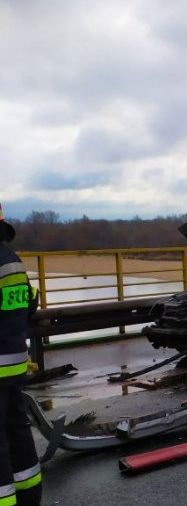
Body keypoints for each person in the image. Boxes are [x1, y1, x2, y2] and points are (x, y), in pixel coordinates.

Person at [0, 203, 42, 506]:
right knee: (17, 430)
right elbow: (29, 302)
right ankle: (29, 497)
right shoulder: (10, 259)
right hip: (12, 365)